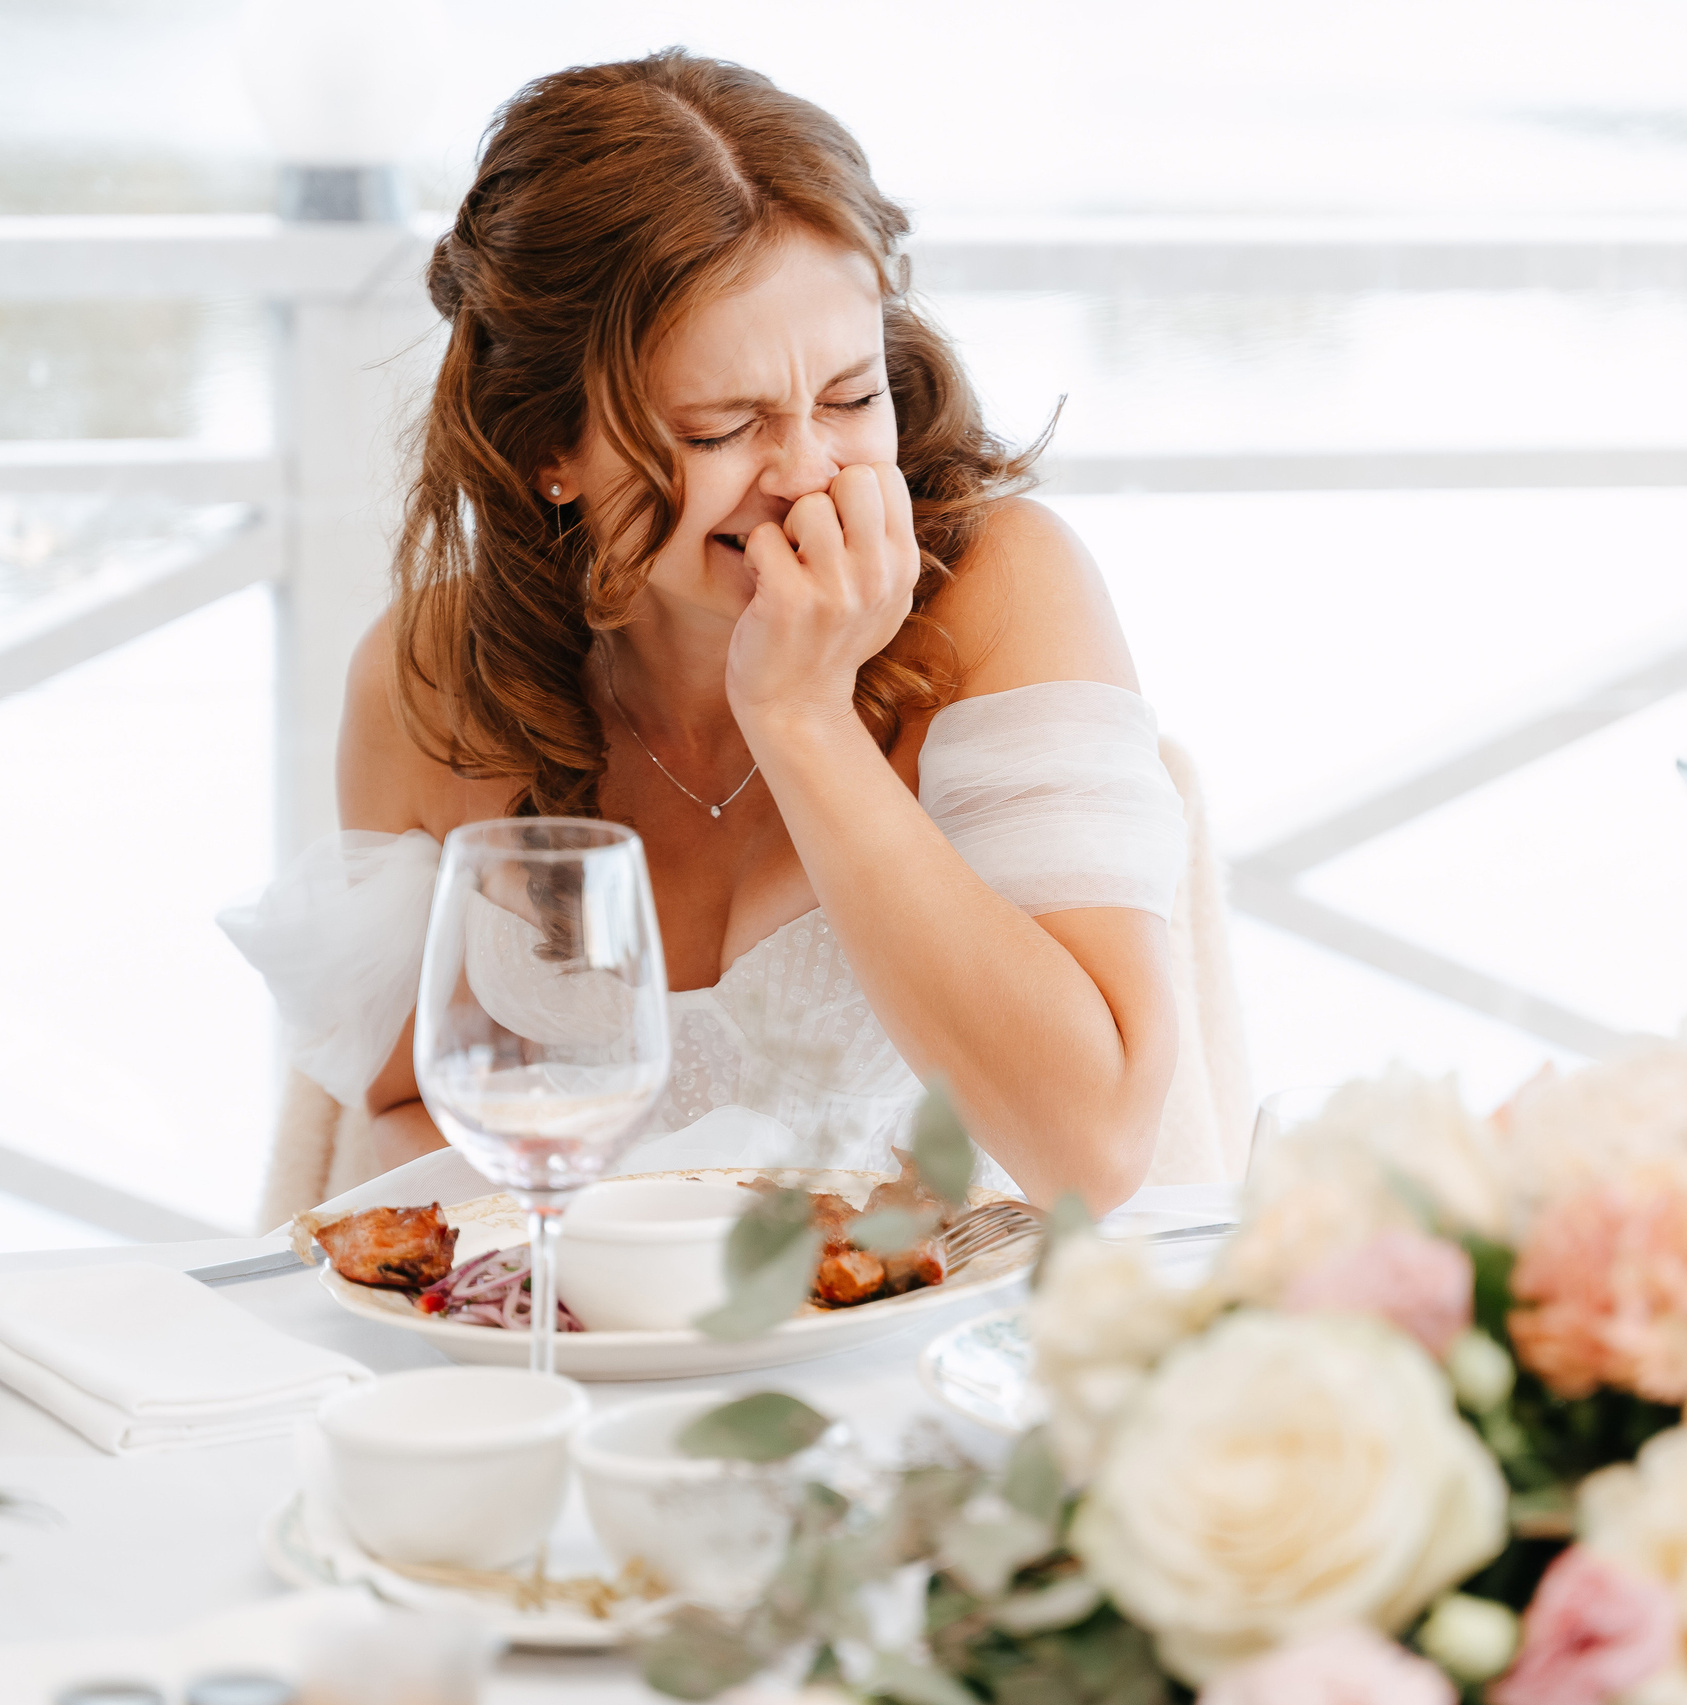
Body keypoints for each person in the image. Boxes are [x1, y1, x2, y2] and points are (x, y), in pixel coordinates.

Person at [223, 51, 1190, 1214]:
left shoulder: (1001, 587)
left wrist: (803, 719)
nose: (805, 474)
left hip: (942, 1352)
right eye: (719, 426)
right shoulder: (429, 679)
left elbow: (1092, 1152)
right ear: (546, 446)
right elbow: (404, 1106)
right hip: (592, 1354)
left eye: (848, 397)